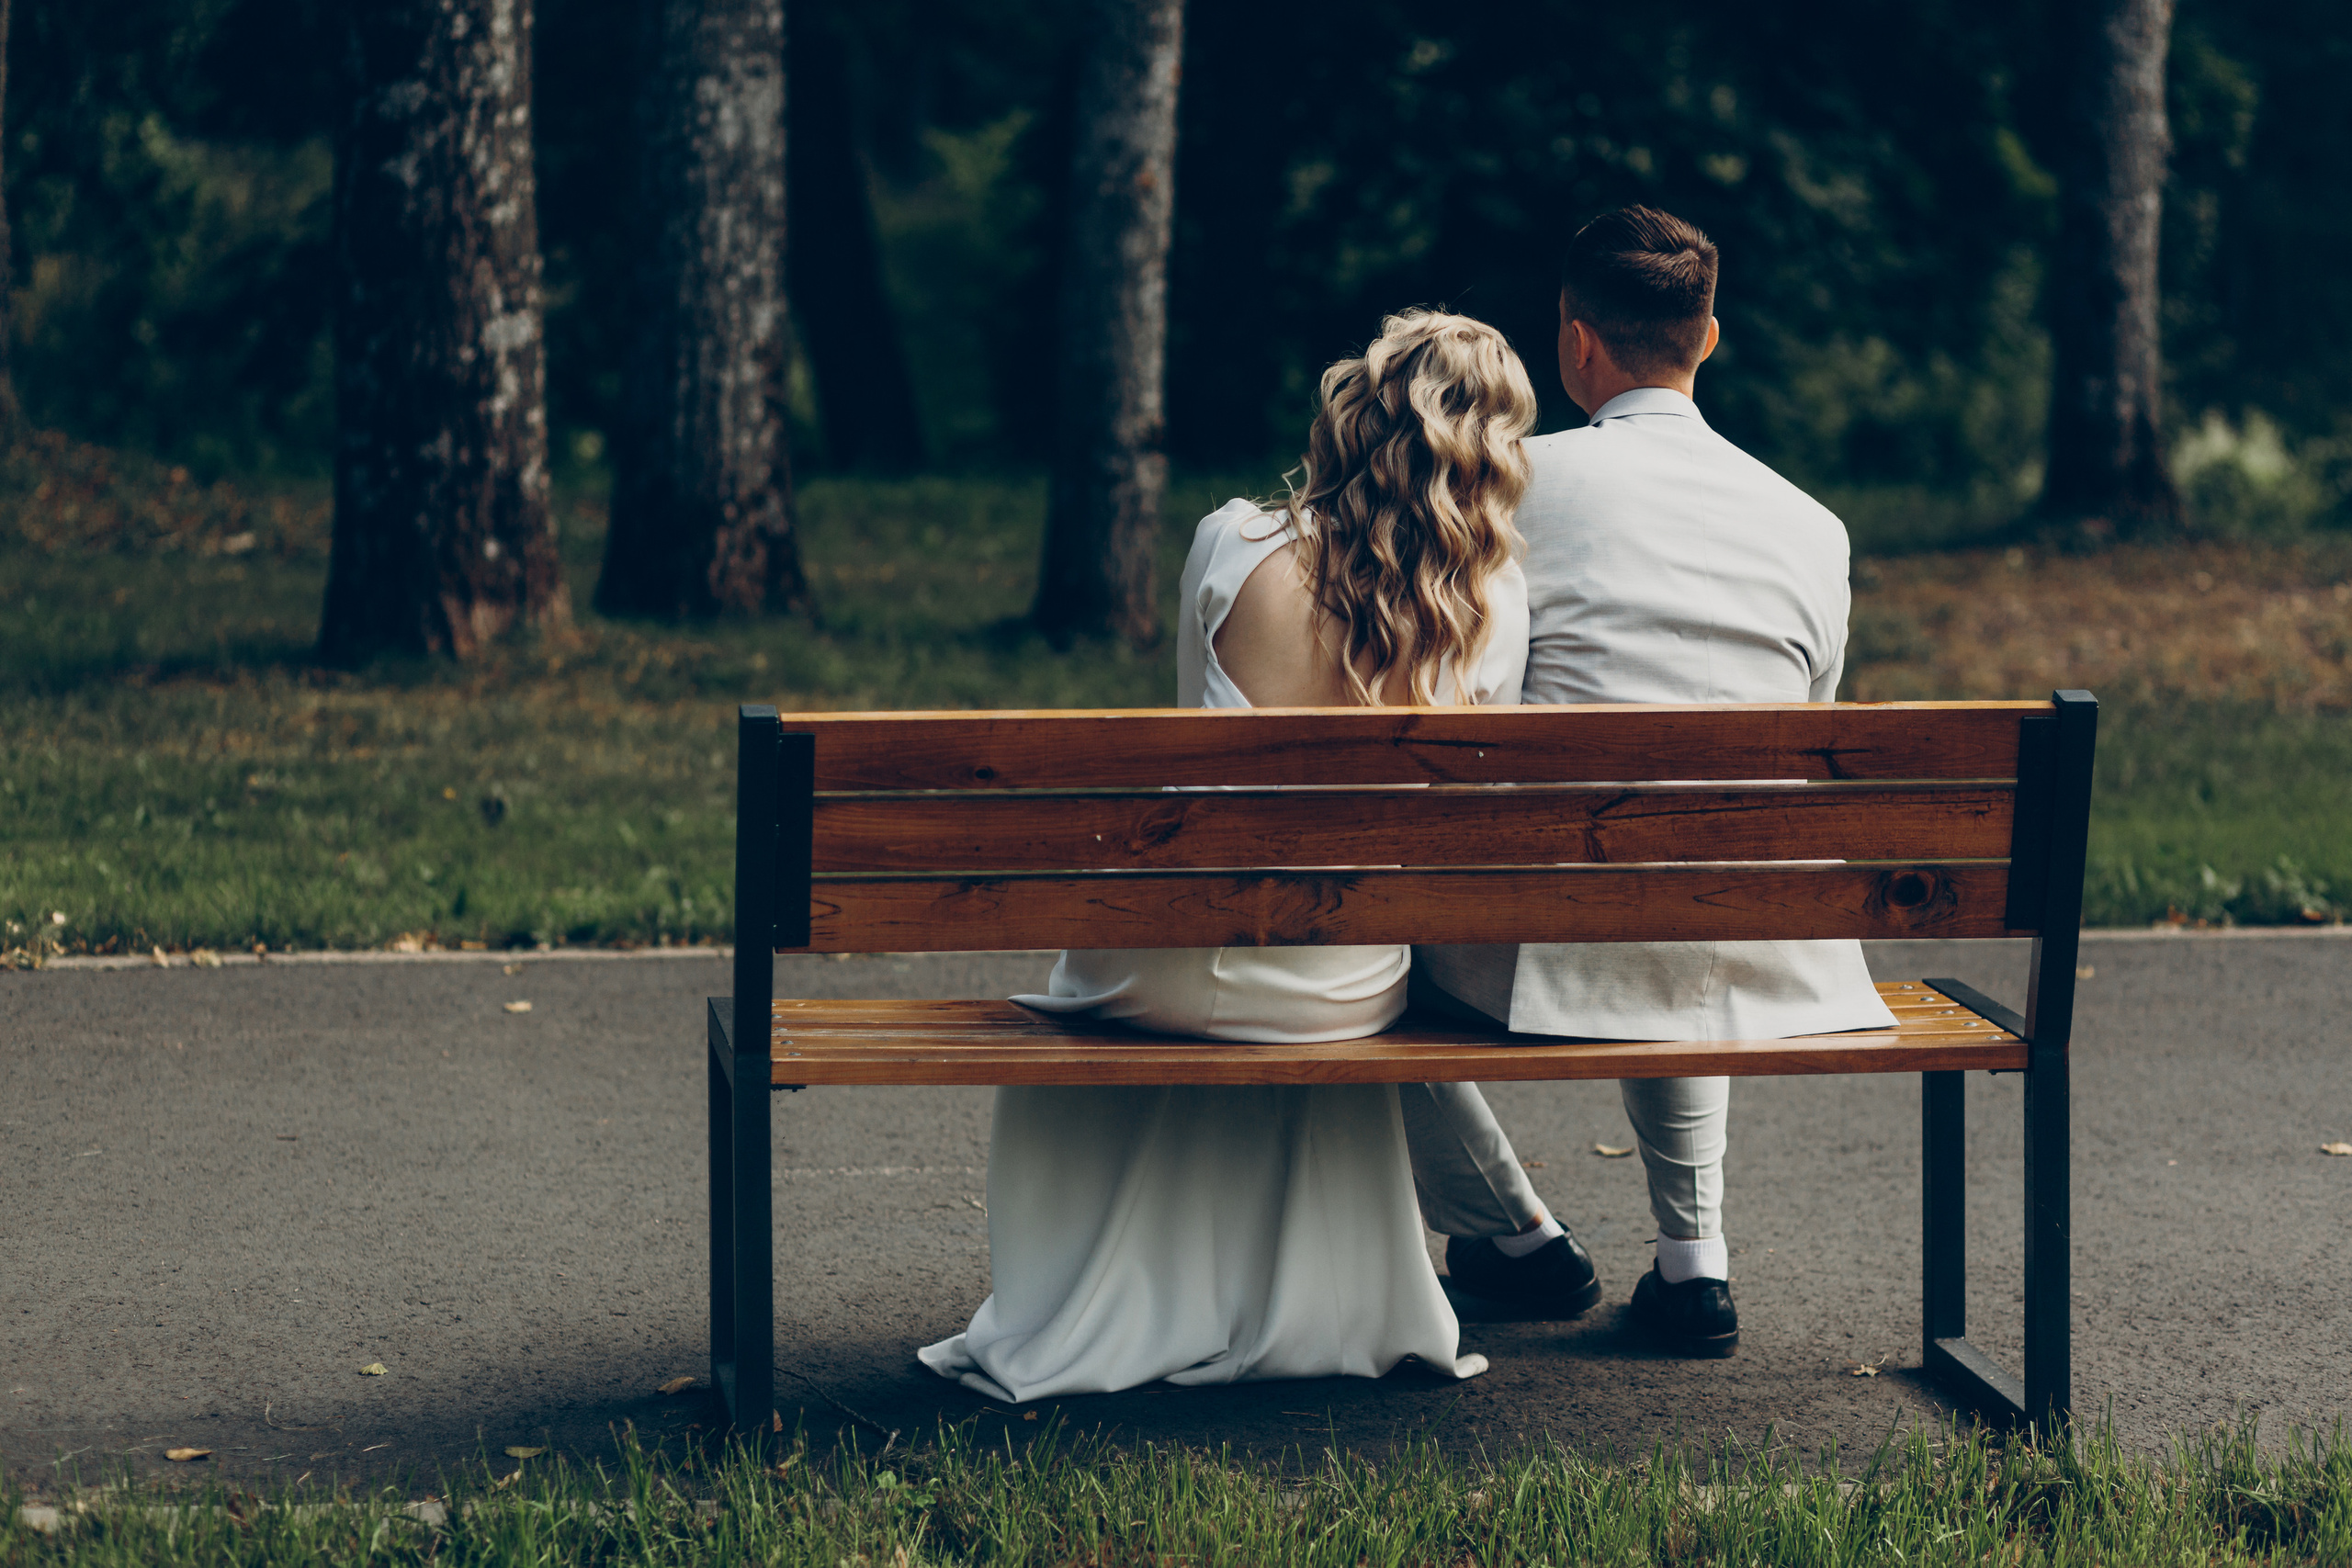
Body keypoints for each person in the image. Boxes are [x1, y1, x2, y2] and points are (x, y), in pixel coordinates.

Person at [918, 310, 1545, 1404]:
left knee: (1136, 983)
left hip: (1169, 959)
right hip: (1348, 982)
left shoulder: (1234, 542)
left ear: (1354, 409)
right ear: (1492, 453)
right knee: (1295, 992)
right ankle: (1281, 1296)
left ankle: (1145, 1296)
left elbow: (1187, 774)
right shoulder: (1490, 605)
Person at [1408, 206, 1898, 1357]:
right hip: (1757, 934)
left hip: (1554, 938)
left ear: (1575, 342)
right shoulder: (1811, 527)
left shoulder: (1512, 483)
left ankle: (1516, 1237)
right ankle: (1695, 1269)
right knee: (1690, 873)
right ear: (1708, 339)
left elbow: (1470, 709)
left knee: (1330, 957)